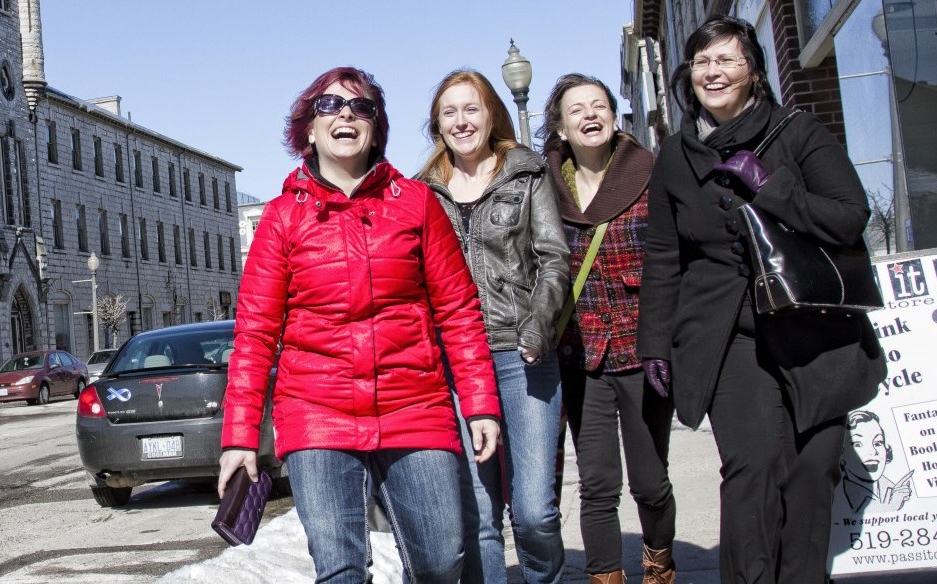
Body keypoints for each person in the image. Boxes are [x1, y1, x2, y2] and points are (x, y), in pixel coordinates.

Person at [218, 66, 503, 584]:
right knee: (341, 570)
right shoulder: (282, 219)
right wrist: (239, 436)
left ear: (377, 127)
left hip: (414, 405)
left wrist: (480, 402)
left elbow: (459, 311)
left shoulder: (417, 205)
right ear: (308, 128)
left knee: (443, 561)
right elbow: (256, 333)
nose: (346, 113)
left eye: (361, 106)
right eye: (329, 106)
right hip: (316, 413)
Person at [639, 16, 886, 584]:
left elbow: (850, 217)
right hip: (730, 338)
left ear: (753, 71)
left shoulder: (798, 131)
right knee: (752, 469)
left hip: (814, 330)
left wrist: (772, 188)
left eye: (725, 60)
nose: (712, 71)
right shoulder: (676, 155)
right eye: (701, 62)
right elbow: (663, 256)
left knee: (812, 468)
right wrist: (655, 342)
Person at [415, 69, 570, 584]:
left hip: (522, 357)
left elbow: (554, 259)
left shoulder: (526, 173)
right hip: (456, 365)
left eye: (471, 108)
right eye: (449, 112)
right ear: (437, 123)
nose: (462, 121)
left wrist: (538, 326)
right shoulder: (421, 193)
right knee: (478, 517)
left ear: (491, 114)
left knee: (534, 512)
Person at [540, 73, 676, 584]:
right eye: (576, 109)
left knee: (650, 482)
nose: (589, 115)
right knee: (597, 484)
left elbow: (673, 257)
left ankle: (660, 567)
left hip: (643, 352)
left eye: (599, 105)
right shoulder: (545, 187)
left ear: (615, 117)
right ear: (559, 125)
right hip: (581, 355)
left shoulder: (651, 171)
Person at [838, 410, 912, 515]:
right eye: (857, 444)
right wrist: (891, 508)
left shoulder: (890, 487)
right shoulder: (839, 496)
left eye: (878, 443)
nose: (873, 451)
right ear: (841, 455)